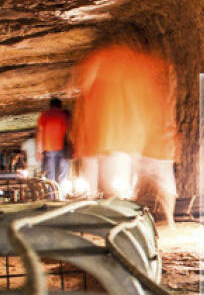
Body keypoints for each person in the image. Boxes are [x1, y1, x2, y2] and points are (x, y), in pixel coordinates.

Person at [70, 42, 178, 227]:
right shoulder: (135, 75)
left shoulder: (102, 73)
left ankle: (107, 224)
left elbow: (83, 101)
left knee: (109, 192)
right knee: (119, 191)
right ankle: (127, 225)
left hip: (106, 143)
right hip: (123, 142)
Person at [37, 97, 72, 184]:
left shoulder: (44, 115)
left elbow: (40, 132)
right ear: (60, 105)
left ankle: (52, 192)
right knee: (62, 174)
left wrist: (39, 150)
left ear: (51, 105)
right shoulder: (63, 114)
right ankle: (61, 191)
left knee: (50, 175)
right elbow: (70, 131)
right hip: (62, 148)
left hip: (48, 148)